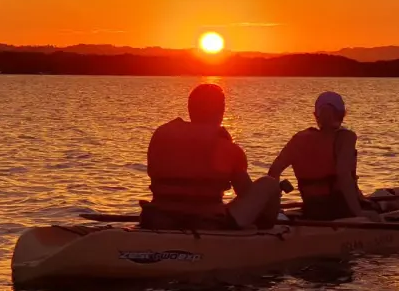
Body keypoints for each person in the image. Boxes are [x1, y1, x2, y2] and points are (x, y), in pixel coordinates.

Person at [144, 83, 281, 229]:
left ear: (190, 109)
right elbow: (246, 194)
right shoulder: (228, 148)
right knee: (269, 184)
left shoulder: (161, 135)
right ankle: (264, 236)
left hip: (158, 217)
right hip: (207, 222)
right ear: (221, 111)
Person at [267, 91, 373, 221]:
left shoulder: (298, 139)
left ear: (315, 115)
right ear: (342, 114)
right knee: (379, 211)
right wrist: (359, 214)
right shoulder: (346, 137)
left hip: (312, 209)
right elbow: (343, 175)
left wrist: (274, 209)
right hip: (341, 210)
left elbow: (273, 173)